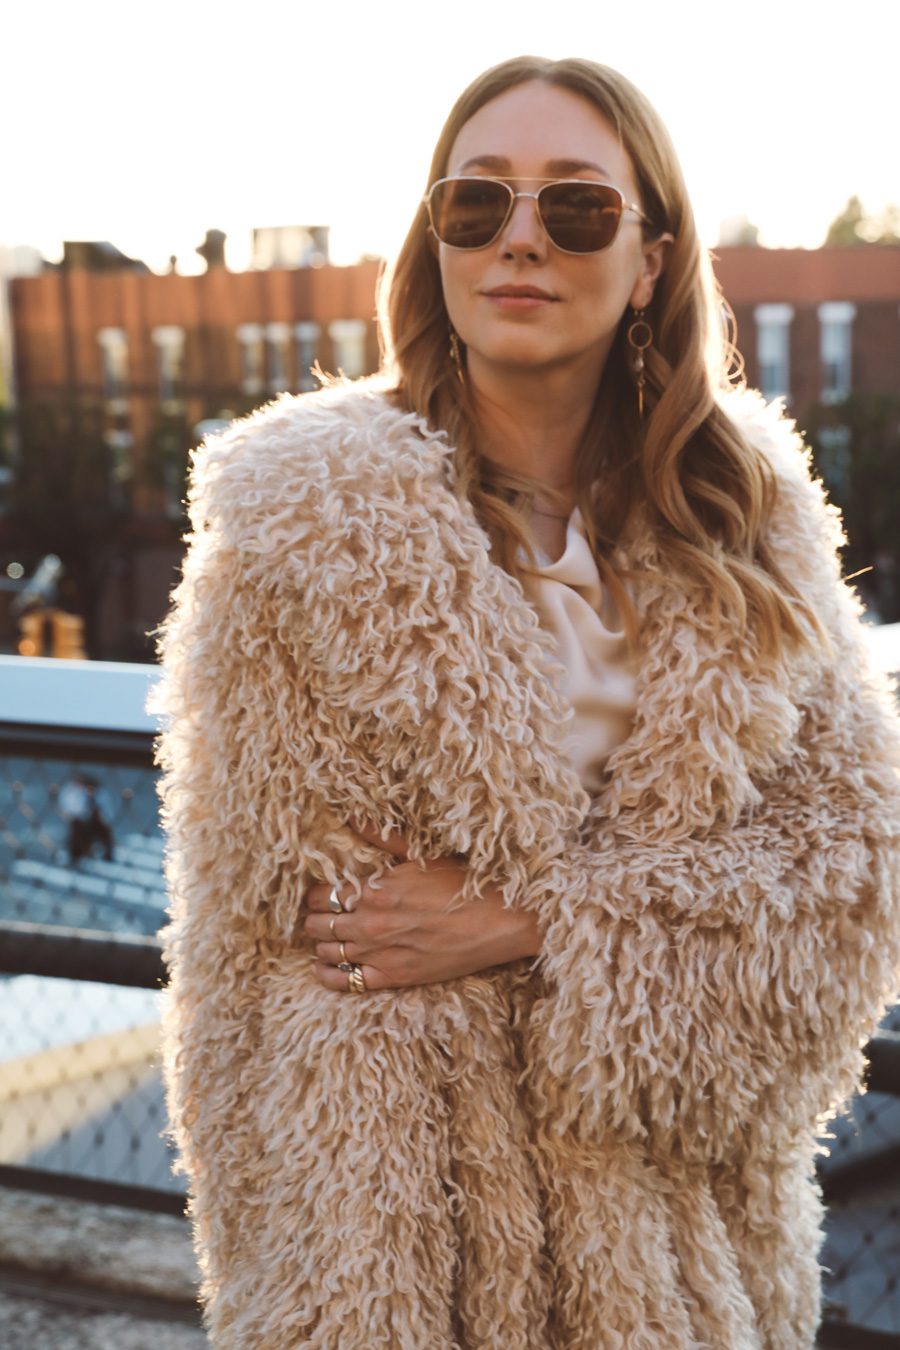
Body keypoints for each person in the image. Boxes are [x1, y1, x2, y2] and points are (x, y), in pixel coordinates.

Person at [153, 55, 900, 1349]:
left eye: (577, 207)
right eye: (477, 201)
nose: (519, 238)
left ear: (651, 261)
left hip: (680, 1241)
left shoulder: (751, 521)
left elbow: (852, 872)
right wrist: (299, 1279)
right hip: (395, 1234)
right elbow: (278, 947)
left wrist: (536, 921)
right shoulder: (303, 527)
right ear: (435, 240)